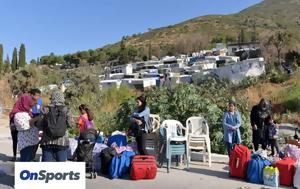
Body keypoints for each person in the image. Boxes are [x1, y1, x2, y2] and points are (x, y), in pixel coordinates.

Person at [35, 91, 71, 162]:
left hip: (47, 141)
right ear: (62, 98)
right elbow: (71, 124)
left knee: (46, 167)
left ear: (52, 98)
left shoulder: (45, 109)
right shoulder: (66, 110)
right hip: (62, 141)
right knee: (61, 166)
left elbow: (39, 124)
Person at [9, 89, 40, 162]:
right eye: (29, 103)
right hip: (25, 144)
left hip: (32, 142)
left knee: (29, 162)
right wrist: (35, 119)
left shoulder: (29, 113)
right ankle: (14, 156)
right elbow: (25, 126)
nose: (30, 105)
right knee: (24, 162)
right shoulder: (18, 115)